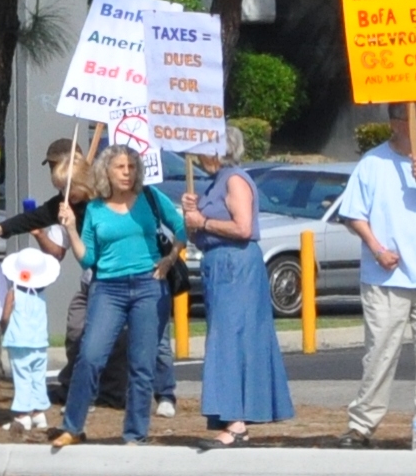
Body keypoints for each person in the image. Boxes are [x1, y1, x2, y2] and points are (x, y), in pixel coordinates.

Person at [334, 118, 416, 449]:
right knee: (380, 353)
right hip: (385, 278)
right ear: (395, 123)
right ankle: (362, 425)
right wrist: (377, 249)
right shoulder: (372, 162)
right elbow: (353, 215)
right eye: (413, 118)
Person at [57, 149, 188, 448]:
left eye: (131, 166)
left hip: (149, 286)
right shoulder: (95, 208)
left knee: (142, 364)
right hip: (107, 288)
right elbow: (87, 259)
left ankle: (135, 434)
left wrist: (170, 259)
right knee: (90, 356)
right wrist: (71, 229)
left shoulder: (151, 197)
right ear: (106, 171)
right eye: (120, 167)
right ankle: (72, 427)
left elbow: (181, 229)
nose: (127, 172)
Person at [183, 154, 292, 445]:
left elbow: (243, 228)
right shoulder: (215, 182)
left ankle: (236, 423)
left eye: (205, 150)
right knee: (225, 340)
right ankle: (233, 418)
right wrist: (191, 216)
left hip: (235, 265)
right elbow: (196, 235)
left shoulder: (234, 179)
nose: (199, 156)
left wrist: (203, 221)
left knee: (230, 341)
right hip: (217, 263)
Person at [0, 240, 61, 432]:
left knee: (22, 377)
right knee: (37, 377)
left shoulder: (13, 292)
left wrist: (5, 329)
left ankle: (23, 414)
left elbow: (5, 316)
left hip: (19, 341)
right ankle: (38, 413)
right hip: (40, 341)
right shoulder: (41, 294)